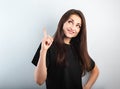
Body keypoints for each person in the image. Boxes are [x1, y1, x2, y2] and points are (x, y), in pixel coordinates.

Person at [32, 9, 99, 89]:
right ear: (63, 22)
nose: (73, 28)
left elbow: (95, 71)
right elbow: (39, 81)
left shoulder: (79, 50)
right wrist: (43, 50)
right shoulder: (48, 45)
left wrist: (87, 87)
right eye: (70, 22)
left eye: (78, 26)